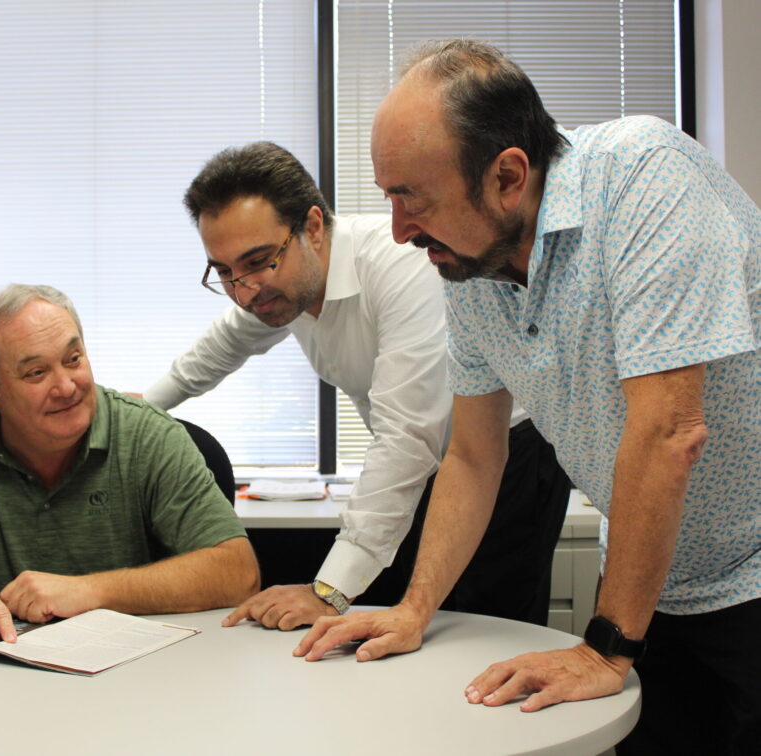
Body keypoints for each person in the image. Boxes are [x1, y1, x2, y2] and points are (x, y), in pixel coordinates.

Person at [293, 39, 761, 756]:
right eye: (388, 198)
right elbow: (474, 457)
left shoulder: (643, 176)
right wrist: (415, 609)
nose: (397, 231)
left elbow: (668, 430)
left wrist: (604, 648)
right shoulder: (471, 268)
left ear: (508, 175)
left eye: (412, 198)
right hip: (656, 582)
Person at [143, 141, 571, 631]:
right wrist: (135, 411)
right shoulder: (280, 289)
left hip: (504, 459)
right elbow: (219, 348)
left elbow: (406, 437)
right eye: (224, 272)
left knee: (479, 632)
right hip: (427, 466)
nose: (244, 291)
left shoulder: (400, 265)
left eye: (258, 261)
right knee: (416, 629)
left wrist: (328, 591)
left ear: (313, 227)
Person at [0, 284, 260, 642]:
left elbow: (236, 572)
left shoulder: (149, 435)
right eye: (35, 372)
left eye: (73, 359)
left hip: (139, 680)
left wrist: (90, 592)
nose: (66, 387)